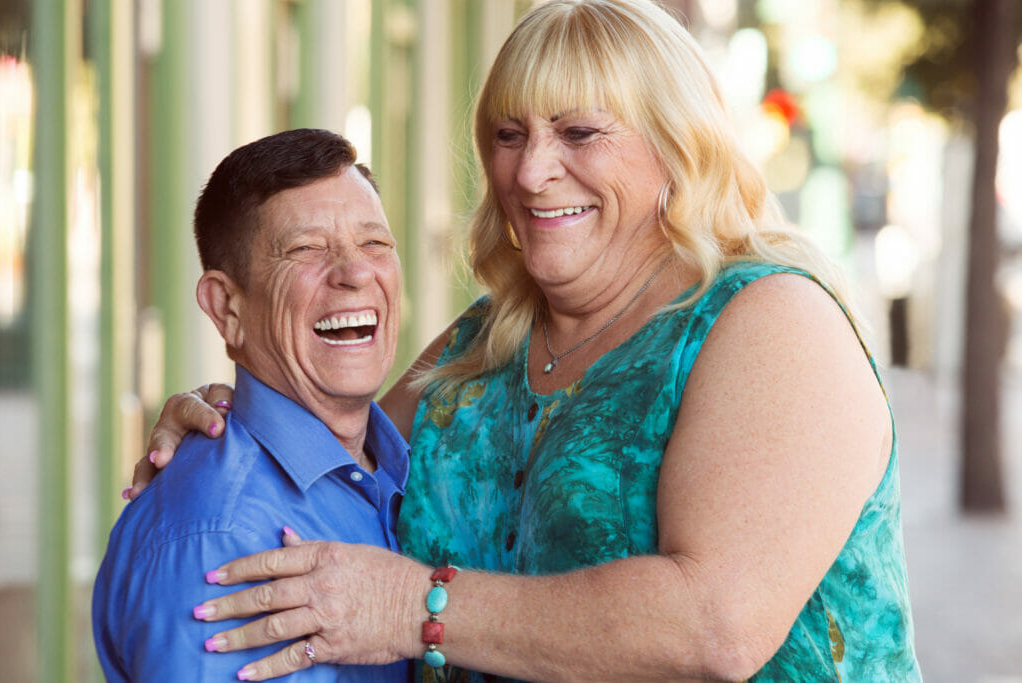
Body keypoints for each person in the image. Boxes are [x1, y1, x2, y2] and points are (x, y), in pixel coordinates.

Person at [130, 1, 922, 680]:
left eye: (578, 132)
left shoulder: (771, 318)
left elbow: (715, 625)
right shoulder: (485, 338)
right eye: (510, 134)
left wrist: (417, 606)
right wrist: (227, 416)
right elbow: (333, 454)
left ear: (677, 149)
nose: (533, 170)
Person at [93, 128, 411, 682]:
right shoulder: (218, 540)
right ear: (226, 306)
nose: (356, 273)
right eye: (306, 249)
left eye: (375, 243)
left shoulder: (402, 462)